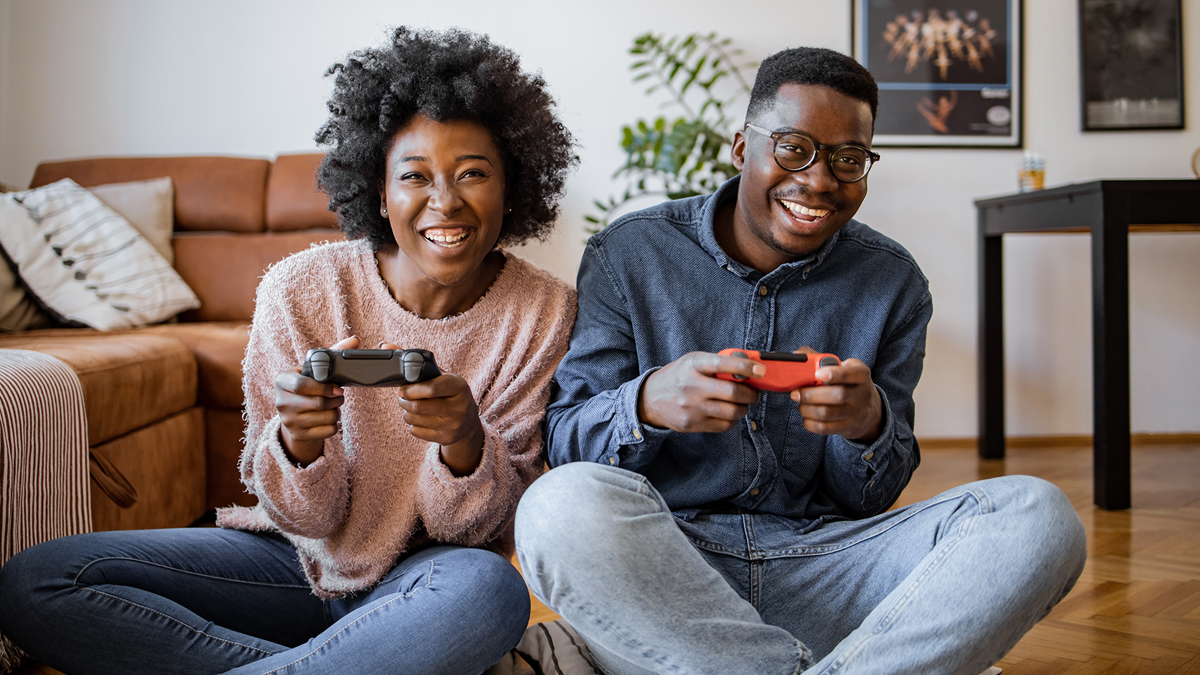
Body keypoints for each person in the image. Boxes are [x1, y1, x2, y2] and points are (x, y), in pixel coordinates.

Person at [0, 26, 577, 675]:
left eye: (474, 173)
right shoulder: (301, 288)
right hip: (291, 560)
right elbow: (302, 513)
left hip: (431, 577)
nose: (444, 200)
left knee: (490, 594)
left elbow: (471, 529)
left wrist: (465, 442)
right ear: (379, 192)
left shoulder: (543, 310)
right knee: (37, 579)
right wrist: (299, 444)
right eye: (414, 175)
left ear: (513, 184)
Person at [514, 46, 1085, 675]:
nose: (818, 181)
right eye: (793, 148)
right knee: (556, 507)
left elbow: (873, 498)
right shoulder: (630, 255)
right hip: (672, 578)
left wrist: (867, 425)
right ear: (741, 147)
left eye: (848, 159)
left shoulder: (892, 284)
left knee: (1037, 517)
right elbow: (565, 444)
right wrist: (647, 403)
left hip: (830, 569)